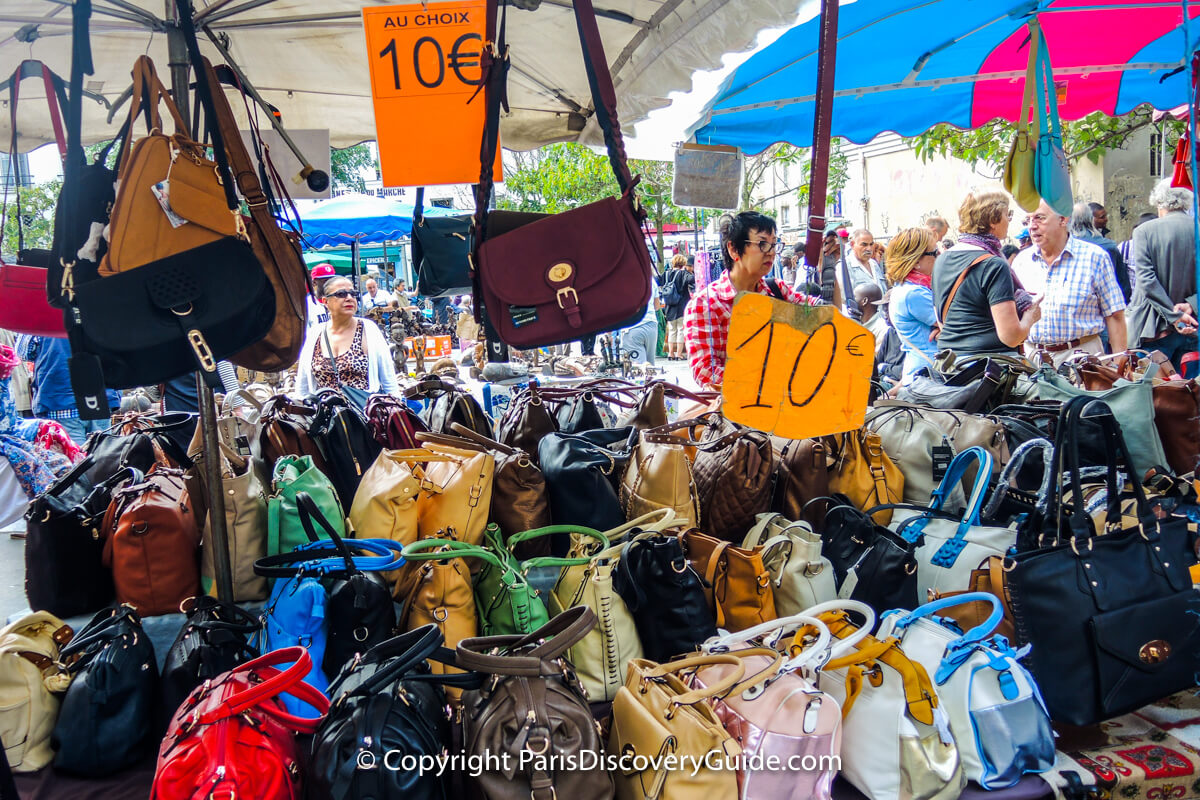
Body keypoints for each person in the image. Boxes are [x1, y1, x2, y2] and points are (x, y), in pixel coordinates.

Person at [685, 211, 819, 390]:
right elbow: (707, 372)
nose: (771, 253)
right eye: (762, 244)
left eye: (774, 244)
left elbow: (819, 313)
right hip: (737, 413)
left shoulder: (777, 290)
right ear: (733, 249)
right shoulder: (706, 304)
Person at [1011, 200, 1127, 366]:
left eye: (1039, 218)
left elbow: (1115, 315)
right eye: (1027, 220)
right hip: (1034, 361)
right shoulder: (1021, 261)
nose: (1032, 226)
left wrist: (1120, 366)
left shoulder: (1094, 257)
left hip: (1083, 361)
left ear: (1063, 220)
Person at [933, 191, 1041, 356]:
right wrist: (1030, 315)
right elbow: (1011, 337)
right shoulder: (994, 265)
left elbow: (943, 322)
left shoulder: (942, 259)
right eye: (1007, 214)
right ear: (993, 220)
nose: (1009, 220)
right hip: (991, 367)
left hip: (951, 365)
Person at [1128, 180, 1199, 370]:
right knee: (1190, 394)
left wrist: (1174, 316)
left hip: (1153, 329)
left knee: (1153, 394)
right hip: (1193, 326)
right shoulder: (1197, 228)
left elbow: (1146, 280)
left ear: (1159, 202)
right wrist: (1191, 305)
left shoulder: (1144, 231)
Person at [296, 275, 400, 403]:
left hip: (364, 417)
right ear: (325, 301)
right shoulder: (314, 334)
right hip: (325, 418)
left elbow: (389, 382)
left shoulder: (369, 329)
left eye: (353, 293)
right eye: (341, 294)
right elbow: (302, 389)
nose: (349, 298)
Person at [17, 336, 122, 446]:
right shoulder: (103, 318)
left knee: (75, 460)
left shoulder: (41, 319)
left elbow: (23, 352)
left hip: (60, 400)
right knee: (104, 455)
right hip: (101, 396)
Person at [884, 227, 941, 383]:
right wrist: (943, 330)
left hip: (921, 371)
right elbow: (955, 326)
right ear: (915, 262)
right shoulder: (914, 293)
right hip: (928, 376)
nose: (939, 256)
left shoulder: (906, 287)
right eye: (934, 253)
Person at [1069, 202, 1130, 301]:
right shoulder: (1108, 246)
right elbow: (1123, 284)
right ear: (1091, 219)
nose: (1106, 219)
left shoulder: (1064, 246)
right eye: (1102, 217)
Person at [660, 254, 695, 360]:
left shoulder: (666, 273)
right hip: (681, 305)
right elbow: (692, 280)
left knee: (671, 330)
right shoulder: (683, 273)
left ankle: (670, 353)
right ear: (683, 263)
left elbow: (657, 280)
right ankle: (679, 354)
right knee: (681, 329)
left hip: (669, 306)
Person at [620, 296, 660, 366]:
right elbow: (657, 306)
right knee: (650, 363)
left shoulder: (622, 285)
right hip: (651, 324)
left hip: (632, 326)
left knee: (638, 366)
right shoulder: (652, 284)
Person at [306, 263, 336, 336]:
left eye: (332, 280)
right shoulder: (306, 304)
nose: (330, 284)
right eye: (325, 281)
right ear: (314, 283)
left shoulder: (339, 300)